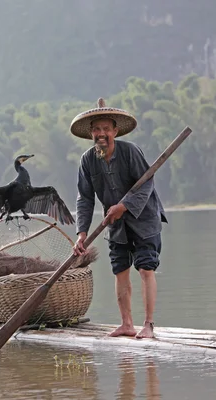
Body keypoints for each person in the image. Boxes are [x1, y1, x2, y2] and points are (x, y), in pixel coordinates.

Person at [70, 98, 168, 339]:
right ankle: (126, 324)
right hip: (115, 224)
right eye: (96, 129)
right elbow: (85, 198)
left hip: (143, 218)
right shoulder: (87, 160)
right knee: (120, 270)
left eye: (106, 129)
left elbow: (146, 185)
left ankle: (148, 325)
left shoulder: (130, 152)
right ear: (91, 133)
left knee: (146, 267)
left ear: (115, 131)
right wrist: (81, 233)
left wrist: (123, 206)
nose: (101, 134)